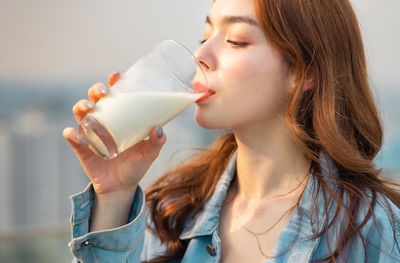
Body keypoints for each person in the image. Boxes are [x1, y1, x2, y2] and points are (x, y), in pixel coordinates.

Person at [63, 0, 400, 262]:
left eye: (236, 41)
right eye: (205, 36)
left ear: (305, 71)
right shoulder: (172, 211)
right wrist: (115, 195)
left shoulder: (372, 229)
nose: (201, 55)